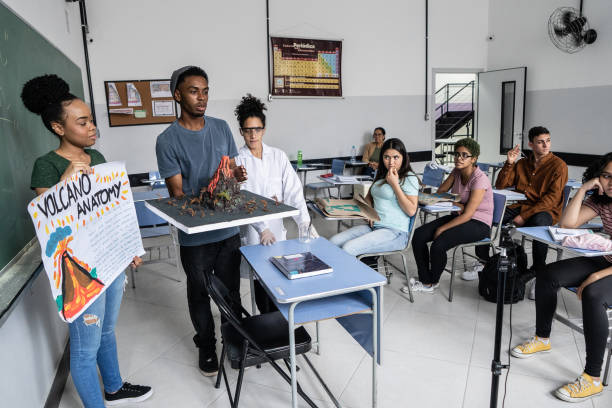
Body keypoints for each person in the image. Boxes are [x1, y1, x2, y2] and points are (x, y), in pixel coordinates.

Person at [23, 74, 152, 407]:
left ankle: (113, 387)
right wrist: (65, 181)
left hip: (107, 261)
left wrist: (128, 248)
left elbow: (110, 212)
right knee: (84, 349)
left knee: (107, 331)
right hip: (80, 272)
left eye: (91, 120)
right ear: (58, 128)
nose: (92, 127)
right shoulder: (46, 165)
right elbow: (50, 224)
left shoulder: (96, 158)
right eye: (82, 122)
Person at [155, 66, 247, 377]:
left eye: (205, 90)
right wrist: (212, 188)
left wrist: (234, 177)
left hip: (228, 229)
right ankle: (206, 345)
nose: (202, 97)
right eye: (194, 91)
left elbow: (231, 172)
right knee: (199, 293)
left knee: (231, 291)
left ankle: (233, 340)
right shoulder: (167, 140)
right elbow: (178, 194)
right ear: (178, 95)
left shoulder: (221, 128)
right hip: (195, 236)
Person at [511, 152, 612, 403]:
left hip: (607, 267)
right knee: (547, 275)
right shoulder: (603, 200)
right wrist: (585, 188)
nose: (610, 182)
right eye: (607, 176)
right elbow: (567, 224)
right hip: (608, 259)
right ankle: (542, 338)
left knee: (593, 293)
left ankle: (592, 379)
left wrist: (597, 275)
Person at [234, 94, 315, 312]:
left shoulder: (277, 156)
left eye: (257, 129)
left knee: (280, 276)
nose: (253, 135)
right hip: (254, 231)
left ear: (264, 130)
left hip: (278, 231)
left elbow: (293, 191)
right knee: (260, 280)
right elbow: (243, 197)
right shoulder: (238, 160)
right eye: (247, 130)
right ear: (241, 131)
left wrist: (304, 224)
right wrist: (261, 228)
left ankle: (281, 323)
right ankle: (268, 323)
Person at [470, 126, 568, 283]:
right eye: (540, 142)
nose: (546, 145)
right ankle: (484, 262)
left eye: (548, 141)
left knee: (539, 223)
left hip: (545, 210)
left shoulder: (559, 165)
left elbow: (552, 199)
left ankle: (537, 270)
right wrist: (509, 163)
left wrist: (525, 216)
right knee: (487, 213)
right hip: (522, 206)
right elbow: (501, 185)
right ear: (531, 144)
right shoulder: (522, 163)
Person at [408, 138, 493, 294]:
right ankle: (426, 278)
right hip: (460, 216)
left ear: (474, 159)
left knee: (439, 243)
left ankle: (430, 282)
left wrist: (443, 227)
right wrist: (457, 203)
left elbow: (468, 215)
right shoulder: (456, 171)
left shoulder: (480, 180)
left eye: (464, 155)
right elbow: (440, 193)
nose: (459, 158)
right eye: (457, 154)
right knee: (419, 235)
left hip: (479, 223)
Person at [330, 138, 419, 258]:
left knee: (348, 248)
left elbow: (411, 210)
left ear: (403, 157)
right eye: (386, 157)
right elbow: (368, 199)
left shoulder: (409, 178)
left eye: (396, 157)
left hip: (395, 232)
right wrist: (369, 213)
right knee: (333, 242)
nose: (391, 162)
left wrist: (394, 185)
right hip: (374, 227)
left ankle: (355, 276)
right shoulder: (381, 174)